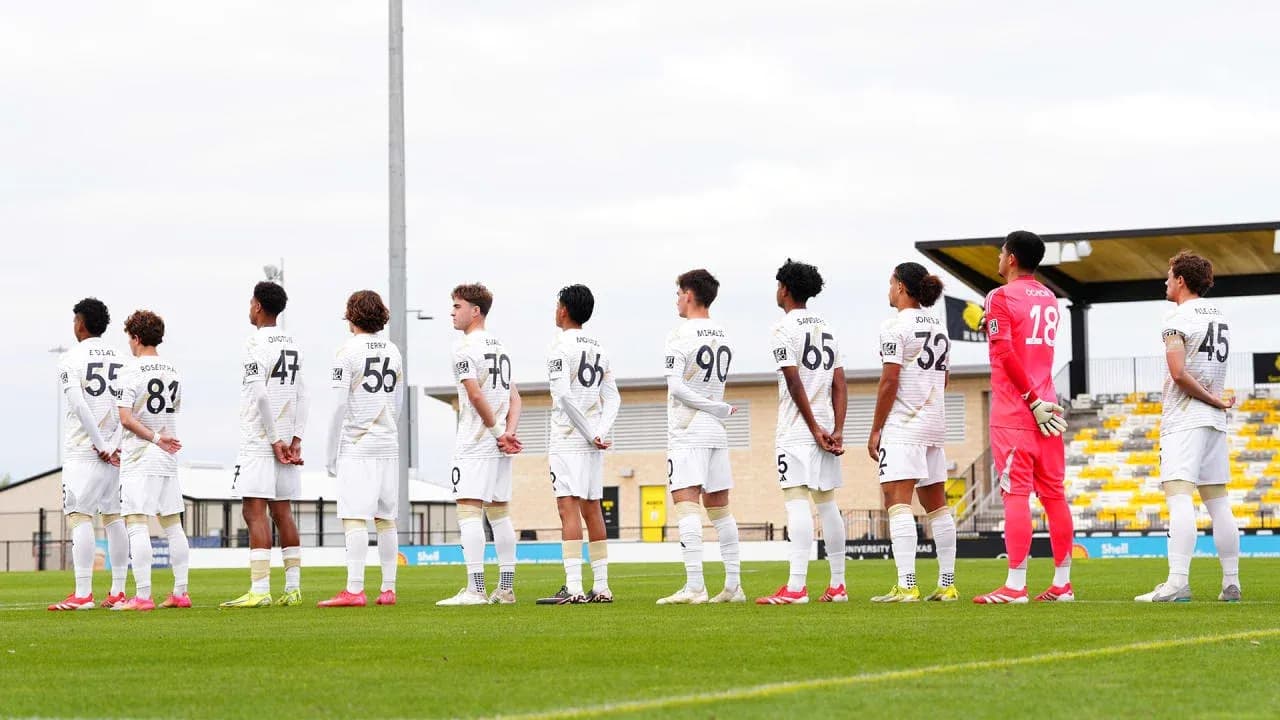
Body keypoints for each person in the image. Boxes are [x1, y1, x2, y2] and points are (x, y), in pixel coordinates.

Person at [973, 231, 1074, 604]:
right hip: (1050, 408)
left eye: (1001, 252)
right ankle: (1062, 583)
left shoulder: (999, 297)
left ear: (1011, 257)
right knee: (1053, 494)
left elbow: (1005, 353)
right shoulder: (1050, 299)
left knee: (1015, 494)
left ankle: (1015, 585)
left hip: (1019, 409)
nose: (999, 259)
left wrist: (1030, 400)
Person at [1136, 251, 1240, 602]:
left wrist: (1213, 399)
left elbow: (1179, 374)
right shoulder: (1220, 317)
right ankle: (1231, 583)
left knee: (1180, 497)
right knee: (1218, 502)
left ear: (1181, 280)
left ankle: (1177, 582)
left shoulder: (1176, 317)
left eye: (1169, 276)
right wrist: (1218, 402)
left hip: (1186, 418)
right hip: (1214, 423)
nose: (1165, 281)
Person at [756, 260, 848, 605]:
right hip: (826, 423)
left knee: (796, 500)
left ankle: (796, 587)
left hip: (799, 429)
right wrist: (837, 429)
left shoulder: (782, 328)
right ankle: (837, 585)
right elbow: (840, 382)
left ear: (785, 288)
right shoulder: (828, 328)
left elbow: (793, 381)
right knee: (827, 503)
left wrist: (812, 428)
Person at [867, 263, 959, 602]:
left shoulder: (893, 326)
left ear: (902, 287)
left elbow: (889, 380)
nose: (889, 290)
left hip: (904, 427)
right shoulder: (940, 326)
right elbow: (945, 378)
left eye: (891, 283)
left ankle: (907, 586)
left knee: (896, 500)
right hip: (934, 424)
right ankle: (947, 584)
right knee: (938, 507)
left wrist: (876, 428)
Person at [655, 269, 745, 605]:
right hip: (716, 432)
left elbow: (676, 387)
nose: (677, 299)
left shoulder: (678, 335)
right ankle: (734, 585)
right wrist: (717, 409)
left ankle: (695, 586)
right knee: (720, 509)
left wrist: (714, 407)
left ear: (689, 294)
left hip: (688, 428)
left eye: (679, 293)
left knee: (687, 505)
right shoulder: (723, 334)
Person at [221, 281, 309, 609]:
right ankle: (293, 588)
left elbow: (259, 393)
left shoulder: (254, 344)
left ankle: (259, 590)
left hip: (261, 441)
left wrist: (273, 441)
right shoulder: (293, 344)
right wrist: (295, 439)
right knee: (282, 512)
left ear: (257, 305)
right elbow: (304, 394)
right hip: (286, 440)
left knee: (253, 511)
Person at [438, 283, 524, 606]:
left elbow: (474, 395)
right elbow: (516, 399)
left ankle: (475, 589)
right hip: (499, 445)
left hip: (476, 443)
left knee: (469, 513)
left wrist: (496, 433)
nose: (452, 312)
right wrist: (507, 434)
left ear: (476, 311)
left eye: (457, 306)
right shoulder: (501, 347)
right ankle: (506, 588)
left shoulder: (464, 348)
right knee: (500, 515)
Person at [318, 291, 405, 608]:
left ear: (351, 315)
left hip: (357, 443)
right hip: (388, 441)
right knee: (386, 517)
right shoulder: (394, 351)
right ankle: (388, 588)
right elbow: (397, 401)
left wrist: (330, 452)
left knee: (354, 516)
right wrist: (387, 427)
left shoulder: (346, 352)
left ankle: (354, 589)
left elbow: (339, 406)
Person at [536, 285, 620, 605]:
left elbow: (564, 397)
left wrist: (588, 433)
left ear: (564, 310)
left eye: (557, 305)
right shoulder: (600, 348)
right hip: (592, 441)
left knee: (567, 508)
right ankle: (601, 587)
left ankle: (573, 588)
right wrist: (600, 430)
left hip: (569, 439)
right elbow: (613, 397)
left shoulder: (558, 347)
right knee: (593, 509)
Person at [48, 298, 129, 611]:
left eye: (74, 321)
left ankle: (83, 593)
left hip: (85, 450)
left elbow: (79, 404)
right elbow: (128, 407)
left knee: (79, 516)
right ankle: (119, 591)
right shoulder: (123, 359)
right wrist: (114, 443)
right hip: (116, 451)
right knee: (113, 517)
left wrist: (99, 443)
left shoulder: (70, 358)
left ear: (80, 323)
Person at [112, 310, 190, 611]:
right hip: (167, 458)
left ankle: (142, 596)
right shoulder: (174, 371)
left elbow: (125, 418)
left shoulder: (130, 371)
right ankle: (181, 592)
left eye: (129, 338)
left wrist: (154, 439)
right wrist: (161, 439)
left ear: (136, 337)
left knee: (136, 523)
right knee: (173, 525)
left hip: (141, 457)